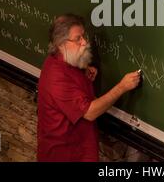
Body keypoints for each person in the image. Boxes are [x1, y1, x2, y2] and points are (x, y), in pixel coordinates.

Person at [37, 13, 141, 162]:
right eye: (78, 39)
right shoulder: (56, 76)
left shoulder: (65, 61)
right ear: (61, 44)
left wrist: (83, 69)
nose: (85, 42)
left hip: (79, 148)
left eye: (83, 36)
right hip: (65, 155)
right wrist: (122, 87)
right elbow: (90, 112)